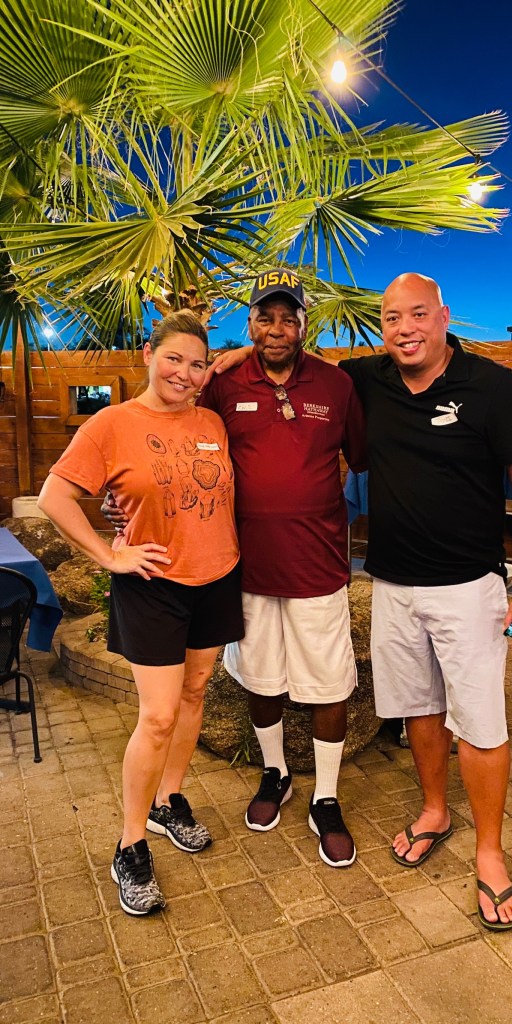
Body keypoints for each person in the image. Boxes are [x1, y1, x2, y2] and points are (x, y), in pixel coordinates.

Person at [104, 269, 367, 867]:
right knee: (261, 680)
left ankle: (326, 797)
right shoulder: (221, 383)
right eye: (265, 317)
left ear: (304, 325)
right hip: (242, 569)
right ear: (249, 323)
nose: (276, 328)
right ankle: (276, 774)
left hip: (319, 565)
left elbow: (361, 457)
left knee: (329, 685)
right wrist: (122, 498)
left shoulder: (336, 385)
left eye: (288, 318)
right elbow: (168, 439)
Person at [339, 272, 512, 930]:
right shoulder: (366, 379)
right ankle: (435, 810)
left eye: (418, 314)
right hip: (392, 585)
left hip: (469, 588)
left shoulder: (492, 386)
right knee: (419, 710)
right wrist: (231, 355)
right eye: (391, 317)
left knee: (482, 725)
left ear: (443, 316)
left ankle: (490, 852)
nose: (405, 328)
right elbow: (291, 370)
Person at [38, 311, 243, 916]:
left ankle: (167, 801)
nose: (185, 373)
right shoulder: (112, 423)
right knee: (156, 717)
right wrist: (109, 555)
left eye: (198, 364)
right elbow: (54, 496)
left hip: (218, 577)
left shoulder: (211, 421)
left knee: (195, 693)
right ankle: (130, 844)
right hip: (152, 585)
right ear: (149, 354)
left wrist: (232, 358)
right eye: (173, 358)